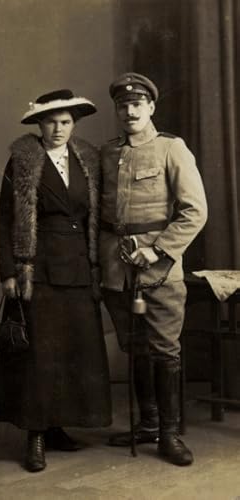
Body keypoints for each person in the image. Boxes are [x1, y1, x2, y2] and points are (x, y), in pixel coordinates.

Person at [0, 89, 112, 472]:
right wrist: (9, 273)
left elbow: (99, 217)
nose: (58, 129)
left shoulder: (88, 160)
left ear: (74, 124)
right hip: (38, 269)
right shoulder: (23, 161)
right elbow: (4, 220)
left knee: (73, 351)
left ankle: (59, 427)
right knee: (39, 355)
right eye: (50, 121)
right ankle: (36, 436)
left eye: (65, 122)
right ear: (38, 125)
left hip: (79, 267)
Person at [99, 72, 208, 466]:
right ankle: (146, 423)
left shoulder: (171, 149)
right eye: (122, 106)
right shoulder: (108, 153)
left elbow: (195, 211)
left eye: (136, 105)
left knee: (164, 349)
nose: (129, 111)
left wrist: (158, 251)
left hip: (158, 270)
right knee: (134, 347)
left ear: (151, 108)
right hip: (116, 269)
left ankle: (168, 433)